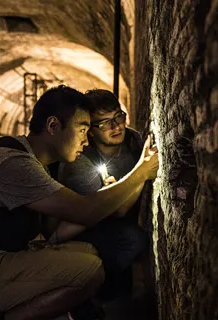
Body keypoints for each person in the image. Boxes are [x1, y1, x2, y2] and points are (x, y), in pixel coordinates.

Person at [0, 85, 159, 320]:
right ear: (53, 126)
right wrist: (143, 170)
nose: (86, 141)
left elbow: (56, 221)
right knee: (90, 272)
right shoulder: (15, 164)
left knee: (89, 251)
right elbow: (86, 212)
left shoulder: (29, 157)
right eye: (82, 130)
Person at [53, 89, 151, 301]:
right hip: (86, 227)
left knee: (121, 286)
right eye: (104, 123)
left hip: (118, 222)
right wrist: (143, 171)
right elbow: (115, 210)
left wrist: (118, 191)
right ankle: (86, 295)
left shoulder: (133, 141)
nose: (116, 126)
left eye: (118, 116)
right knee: (130, 240)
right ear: (90, 131)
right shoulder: (79, 160)